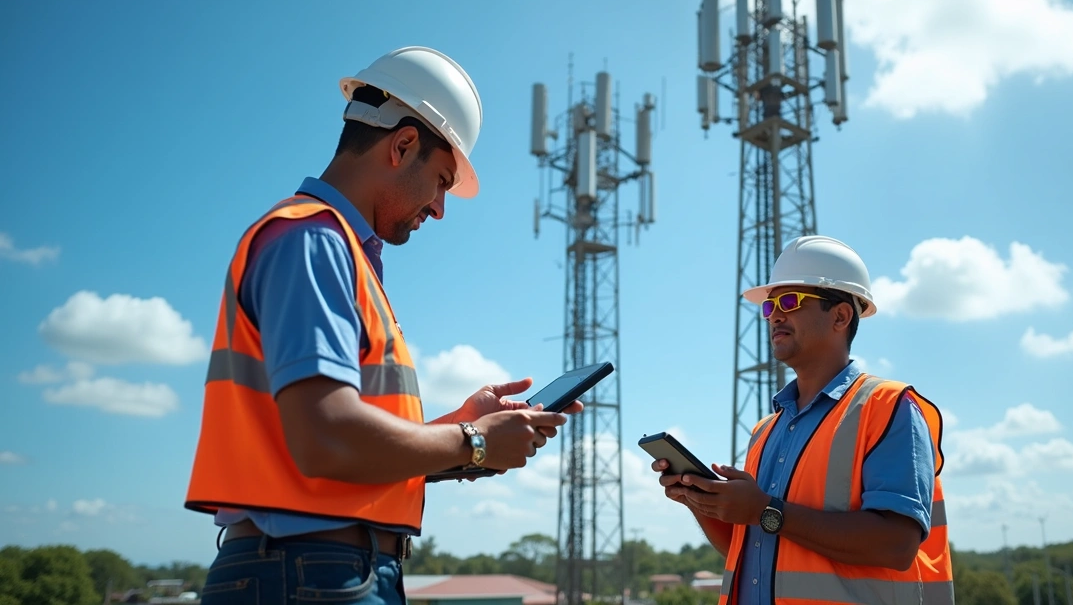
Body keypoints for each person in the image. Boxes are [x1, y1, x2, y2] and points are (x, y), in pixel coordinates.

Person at [183, 46, 580, 604]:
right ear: (402, 145)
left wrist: (462, 430)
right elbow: (326, 437)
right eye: (442, 180)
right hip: (311, 571)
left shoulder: (339, 252)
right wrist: (472, 443)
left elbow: (345, 447)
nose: (440, 207)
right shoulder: (311, 241)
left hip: (320, 568)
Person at [652, 235, 954, 605]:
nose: (775, 314)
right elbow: (752, 544)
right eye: (770, 306)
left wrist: (764, 510)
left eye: (790, 301)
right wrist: (703, 503)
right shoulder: (767, 430)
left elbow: (895, 545)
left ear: (841, 316)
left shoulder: (888, 407)